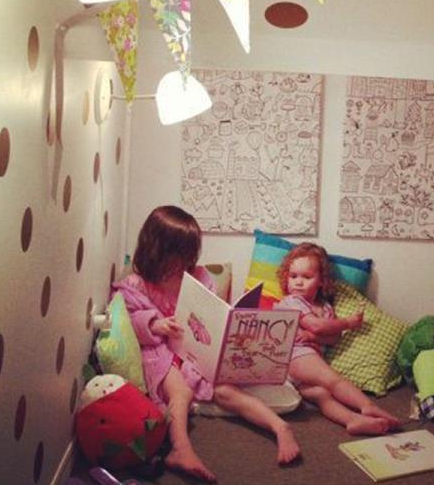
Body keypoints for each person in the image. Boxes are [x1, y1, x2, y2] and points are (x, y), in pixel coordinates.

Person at [114, 206, 301, 482]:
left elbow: (212, 313)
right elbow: (128, 317)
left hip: (196, 349)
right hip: (161, 351)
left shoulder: (199, 277)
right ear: (157, 249)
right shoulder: (137, 283)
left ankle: (280, 426)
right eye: (179, 254)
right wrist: (155, 324)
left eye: (190, 254)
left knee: (225, 390)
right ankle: (180, 449)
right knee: (180, 392)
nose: (184, 262)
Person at [276, 242, 400, 435]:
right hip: (294, 356)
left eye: (306, 277)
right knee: (334, 381)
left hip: (304, 365)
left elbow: (333, 338)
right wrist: (347, 323)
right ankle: (367, 406)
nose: (298, 282)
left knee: (322, 395)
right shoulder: (291, 301)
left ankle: (352, 420)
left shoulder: (326, 308)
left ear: (321, 281)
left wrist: (312, 336)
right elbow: (316, 325)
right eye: (293, 276)